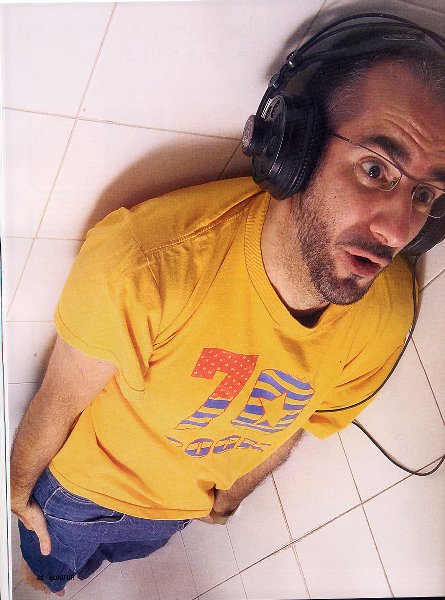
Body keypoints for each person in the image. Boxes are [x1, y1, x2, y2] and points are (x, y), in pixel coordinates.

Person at [10, 15, 445, 596]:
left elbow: (295, 420)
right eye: (375, 170)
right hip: (84, 496)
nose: (397, 230)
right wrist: (17, 493)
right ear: (295, 149)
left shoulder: (385, 315)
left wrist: (232, 495)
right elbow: (58, 398)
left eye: (425, 193)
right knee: (43, 579)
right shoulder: (144, 266)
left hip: (177, 514)